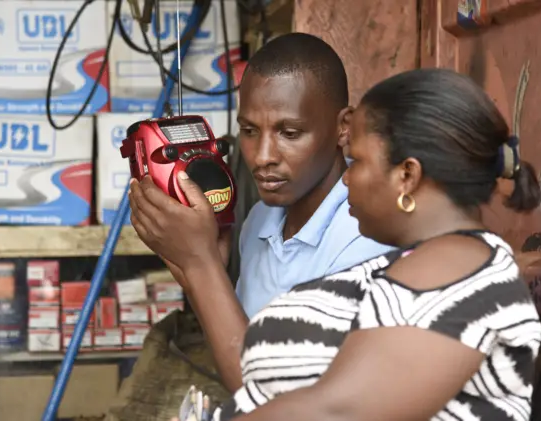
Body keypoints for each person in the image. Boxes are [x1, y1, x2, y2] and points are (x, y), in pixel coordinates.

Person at [176, 68, 541, 421]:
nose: (348, 178)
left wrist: (199, 264)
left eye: (359, 161)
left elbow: (338, 412)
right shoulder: (424, 264)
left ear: (406, 176)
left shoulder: (461, 275)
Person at [128, 32, 393, 393]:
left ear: (343, 127)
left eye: (290, 132)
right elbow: (239, 343)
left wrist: (200, 266)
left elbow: (265, 394)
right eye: (249, 130)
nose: (262, 155)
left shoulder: (368, 234)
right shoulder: (260, 220)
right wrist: (197, 271)